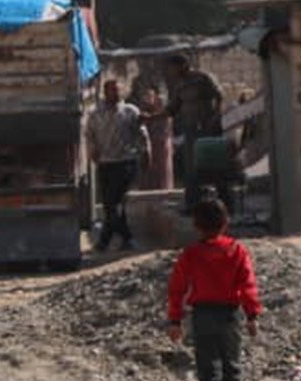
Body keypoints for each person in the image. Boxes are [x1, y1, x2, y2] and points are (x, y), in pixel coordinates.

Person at [168, 198, 262, 381]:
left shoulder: (190, 255)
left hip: (203, 316)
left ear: (196, 226)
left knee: (208, 372)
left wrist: (175, 320)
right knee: (232, 368)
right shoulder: (237, 251)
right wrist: (252, 315)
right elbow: (248, 285)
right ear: (226, 222)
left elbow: (177, 289)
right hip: (230, 316)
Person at [151, 53, 227, 209]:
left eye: (172, 68)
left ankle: (224, 204)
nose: (170, 71)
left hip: (209, 130)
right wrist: (152, 117)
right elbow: (172, 109)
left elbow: (219, 97)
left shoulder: (203, 78)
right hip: (191, 131)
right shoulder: (180, 85)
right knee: (191, 169)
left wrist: (214, 118)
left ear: (182, 65)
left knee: (214, 167)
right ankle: (193, 205)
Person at [85, 77, 150, 252]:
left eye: (117, 89)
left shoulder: (130, 111)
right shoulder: (96, 113)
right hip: (106, 163)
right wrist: (92, 151)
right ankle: (125, 239)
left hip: (125, 163)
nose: (115, 93)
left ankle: (106, 242)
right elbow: (89, 134)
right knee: (109, 204)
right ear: (105, 92)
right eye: (111, 90)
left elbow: (142, 133)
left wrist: (146, 152)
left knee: (116, 204)